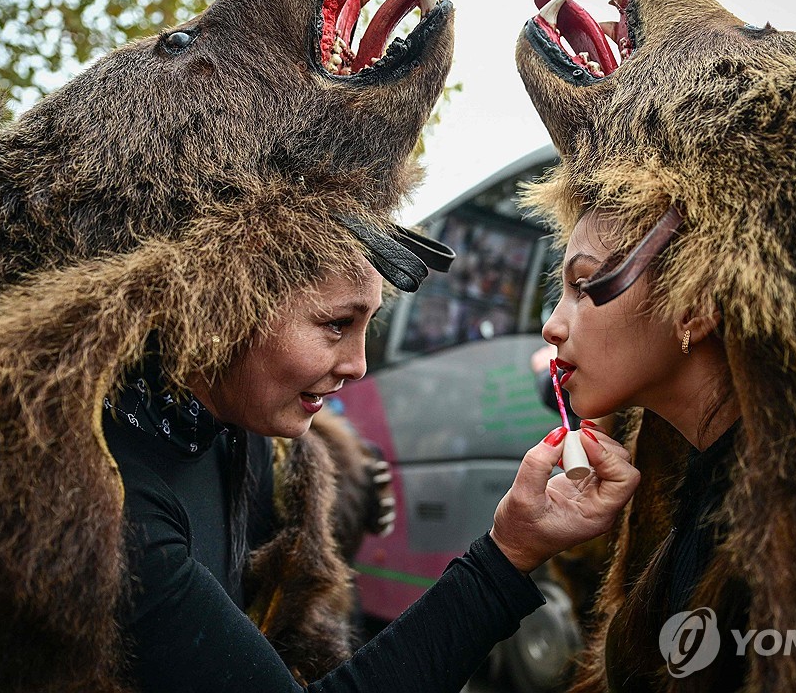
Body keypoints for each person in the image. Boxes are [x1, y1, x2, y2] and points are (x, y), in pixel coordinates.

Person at [103, 246, 642, 693]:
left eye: (368, 325)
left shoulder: (243, 436)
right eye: (336, 324)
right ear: (226, 310)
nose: (359, 365)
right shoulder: (118, 509)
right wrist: (507, 555)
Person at [541, 206, 746, 690]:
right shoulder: (702, 481)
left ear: (693, 305)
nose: (552, 326)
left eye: (586, 286)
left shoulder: (789, 542)